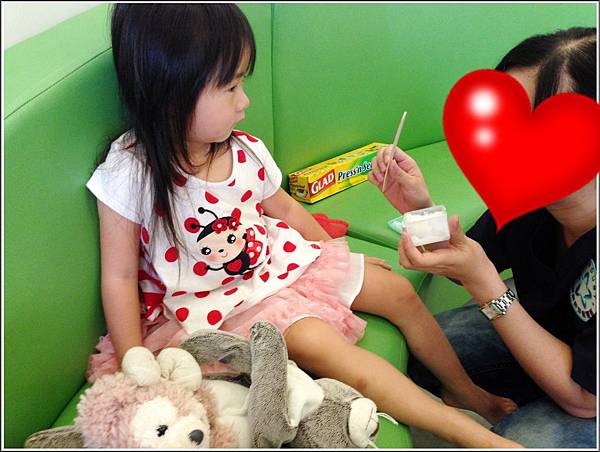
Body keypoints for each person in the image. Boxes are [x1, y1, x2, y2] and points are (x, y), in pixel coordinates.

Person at [84, 4, 523, 448]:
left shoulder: (244, 150)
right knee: (324, 345)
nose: (244, 101)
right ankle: (469, 434)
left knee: (398, 291)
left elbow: (288, 211)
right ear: (171, 92)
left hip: (275, 264)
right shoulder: (130, 173)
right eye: (231, 86)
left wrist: (336, 255)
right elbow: (119, 276)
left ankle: (462, 390)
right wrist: (134, 361)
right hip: (214, 308)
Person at [369, 27, 597, 448]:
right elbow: (467, 258)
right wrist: (418, 207)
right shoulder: (530, 199)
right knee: (420, 349)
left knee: (516, 439)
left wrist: (487, 286)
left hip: (587, 393)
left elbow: (586, 399)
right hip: (548, 340)